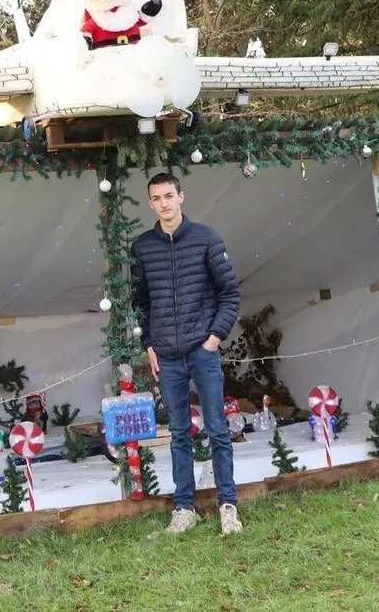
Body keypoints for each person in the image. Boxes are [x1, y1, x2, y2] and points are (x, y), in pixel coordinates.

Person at [130, 172, 242, 535]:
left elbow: (230, 293)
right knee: (179, 433)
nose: (163, 203)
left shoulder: (207, 238)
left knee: (217, 429)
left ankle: (227, 506)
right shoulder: (142, 248)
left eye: (169, 195)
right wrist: (149, 344)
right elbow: (141, 302)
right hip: (167, 356)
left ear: (181, 196)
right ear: (150, 203)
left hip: (202, 350)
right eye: (156, 198)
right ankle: (184, 509)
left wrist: (214, 338)